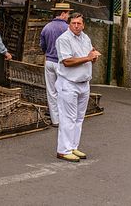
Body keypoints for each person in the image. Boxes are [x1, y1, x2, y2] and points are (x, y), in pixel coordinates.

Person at [55, 13, 101, 162]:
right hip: (68, 83)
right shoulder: (63, 39)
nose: (76, 26)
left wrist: (92, 57)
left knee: (79, 118)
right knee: (68, 118)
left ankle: (73, 146)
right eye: (73, 23)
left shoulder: (86, 38)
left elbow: (88, 58)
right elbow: (66, 61)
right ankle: (63, 150)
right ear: (69, 24)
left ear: (83, 25)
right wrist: (87, 58)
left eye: (79, 23)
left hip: (84, 83)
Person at [40, 2, 73, 127]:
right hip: (62, 63)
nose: (68, 16)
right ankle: (65, 118)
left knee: (51, 91)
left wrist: (48, 52)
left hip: (49, 61)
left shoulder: (46, 27)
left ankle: (55, 120)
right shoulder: (67, 29)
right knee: (64, 90)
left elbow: (42, 45)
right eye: (68, 13)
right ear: (63, 14)